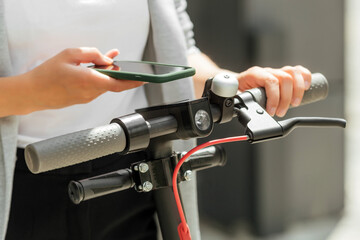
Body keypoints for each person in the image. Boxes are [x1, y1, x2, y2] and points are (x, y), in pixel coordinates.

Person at [0, 0, 311, 239]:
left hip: (135, 177)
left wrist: (226, 83)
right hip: (17, 187)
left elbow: (178, 52)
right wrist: (31, 92)